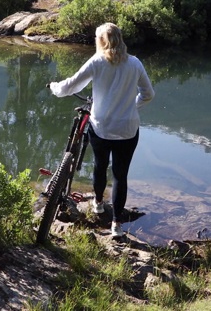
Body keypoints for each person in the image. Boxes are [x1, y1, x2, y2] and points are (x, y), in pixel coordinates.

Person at [48, 22, 155, 238]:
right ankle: (117, 225)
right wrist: (131, 106)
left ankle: (97, 204)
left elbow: (72, 85)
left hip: (102, 126)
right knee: (120, 175)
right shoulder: (135, 63)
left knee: (100, 165)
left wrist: (54, 87)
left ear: (102, 41)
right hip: (127, 128)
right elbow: (148, 94)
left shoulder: (97, 61)